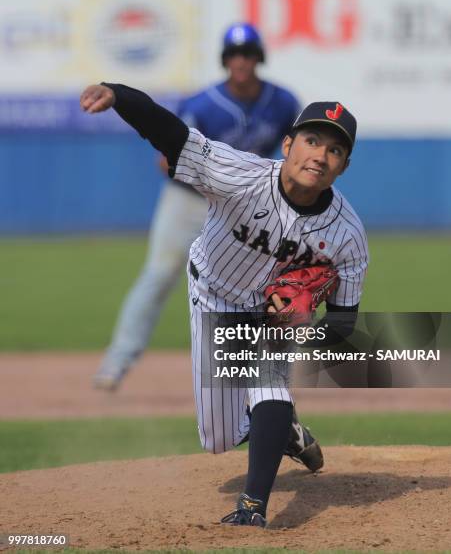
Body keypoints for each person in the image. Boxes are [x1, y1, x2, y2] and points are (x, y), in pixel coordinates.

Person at [80, 81, 368, 527]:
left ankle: (253, 508)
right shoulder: (239, 174)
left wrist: (301, 331)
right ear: (288, 144)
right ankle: (283, 429)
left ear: (344, 166)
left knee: (268, 384)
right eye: (312, 140)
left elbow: (344, 323)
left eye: (334, 150)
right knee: (218, 437)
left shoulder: (347, 236)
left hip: (266, 315)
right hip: (211, 294)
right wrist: (119, 95)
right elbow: (171, 134)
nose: (319, 155)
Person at [93, 22, 301, 392]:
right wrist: (211, 175)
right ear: (225, 59)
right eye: (235, 54)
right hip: (189, 201)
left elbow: (296, 151)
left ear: (259, 58)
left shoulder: (284, 102)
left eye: (248, 53)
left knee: (260, 286)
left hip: (246, 207)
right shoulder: (204, 104)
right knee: (159, 274)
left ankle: (260, 373)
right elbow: (166, 158)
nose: (242, 60)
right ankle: (117, 361)